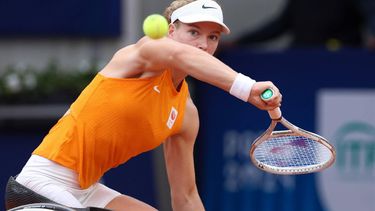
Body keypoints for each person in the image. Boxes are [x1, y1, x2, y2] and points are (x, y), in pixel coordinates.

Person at [7, 0, 282, 210]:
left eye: (212, 37)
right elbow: (178, 55)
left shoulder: (186, 115)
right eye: (193, 32)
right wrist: (246, 87)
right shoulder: (144, 53)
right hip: (41, 185)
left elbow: (185, 195)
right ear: (170, 32)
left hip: (86, 190)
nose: (203, 44)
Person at [235, 0, 374, 49]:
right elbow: (280, 25)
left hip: (342, 61)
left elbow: (370, 11)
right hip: (302, 59)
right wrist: (239, 42)